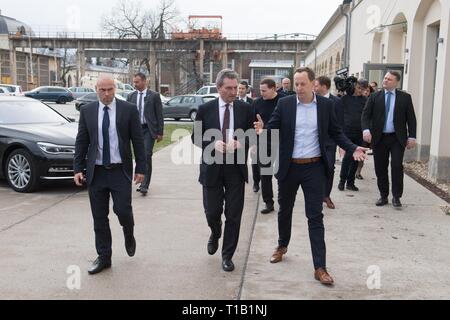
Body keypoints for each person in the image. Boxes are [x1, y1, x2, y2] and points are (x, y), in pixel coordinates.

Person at [254, 67, 367, 285]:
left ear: (313, 83)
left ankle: (320, 267)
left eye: (302, 83)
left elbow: (336, 132)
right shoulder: (285, 104)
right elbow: (274, 126)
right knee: (284, 210)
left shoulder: (326, 105)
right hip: (289, 167)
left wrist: (352, 148)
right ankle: (282, 245)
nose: (298, 87)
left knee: (315, 216)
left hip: (314, 168)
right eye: (295, 83)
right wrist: (263, 130)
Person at [74, 75, 146, 275]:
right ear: (96, 89)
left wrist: (141, 168)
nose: (106, 94)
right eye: (102, 90)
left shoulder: (128, 110)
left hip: (119, 170)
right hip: (96, 172)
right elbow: (82, 141)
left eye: (110, 90)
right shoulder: (87, 111)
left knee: (123, 210)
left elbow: (138, 141)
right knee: (99, 217)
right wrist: (78, 168)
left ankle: (128, 231)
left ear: (115, 89)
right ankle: (104, 257)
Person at [192, 69, 254, 272]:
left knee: (234, 214)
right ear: (219, 88)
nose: (234, 92)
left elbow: (253, 135)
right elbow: (196, 137)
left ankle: (227, 255)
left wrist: (240, 142)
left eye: (236, 88)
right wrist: (212, 143)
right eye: (229, 88)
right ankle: (215, 231)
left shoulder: (245, 109)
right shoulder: (205, 109)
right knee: (212, 211)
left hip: (236, 169)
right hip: (212, 168)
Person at [362, 71, 417, 208]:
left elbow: (411, 119)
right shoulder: (375, 96)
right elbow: (365, 115)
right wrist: (366, 130)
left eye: (389, 79)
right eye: (385, 78)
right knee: (380, 168)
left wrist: (412, 137)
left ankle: (396, 197)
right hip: (379, 138)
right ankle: (383, 195)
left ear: (396, 82)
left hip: (397, 138)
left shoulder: (405, 98)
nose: (385, 81)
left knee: (397, 166)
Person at [127, 72, 164, 196]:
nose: (135, 84)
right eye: (134, 82)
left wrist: (160, 132)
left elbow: (159, 114)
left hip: (148, 129)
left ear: (144, 81)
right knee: (138, 155)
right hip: (135, 130)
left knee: (146, 155)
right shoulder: (131, 96)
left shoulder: (154, 96)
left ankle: (144, 185)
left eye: (137, 82)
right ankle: (140, 177)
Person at [253, 78, 284, 214]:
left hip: (281, 141)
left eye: (264, 90)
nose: (262, 93)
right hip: (264, 141)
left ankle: (283, 200)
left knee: (282, 173)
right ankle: (268, 202)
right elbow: (253, 124)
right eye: (260, 90)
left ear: (274, 88)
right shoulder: (257, 103)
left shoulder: (283, 101)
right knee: (265, 173)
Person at [313, 76, 344, 209]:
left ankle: (326, 195)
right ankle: (315, 195)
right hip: (314, 141)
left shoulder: (336, 102)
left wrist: (341, 144)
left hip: (329, 142)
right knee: (315, 169)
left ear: (324, 86)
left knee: (329, 168)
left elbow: (339, 123)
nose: (314, 88)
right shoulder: (312, 100)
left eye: (316, 85)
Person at [338, 79, 368, 192]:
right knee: (347, 157)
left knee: (357, 157)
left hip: (360, 132)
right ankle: (342, 181)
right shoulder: (345, 99)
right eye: (359, 88)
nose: (361, 90)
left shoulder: (365, 100)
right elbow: (339, 113)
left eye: (363, 89)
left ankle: (350, 182)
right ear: (354, 87)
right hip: (347, 131)